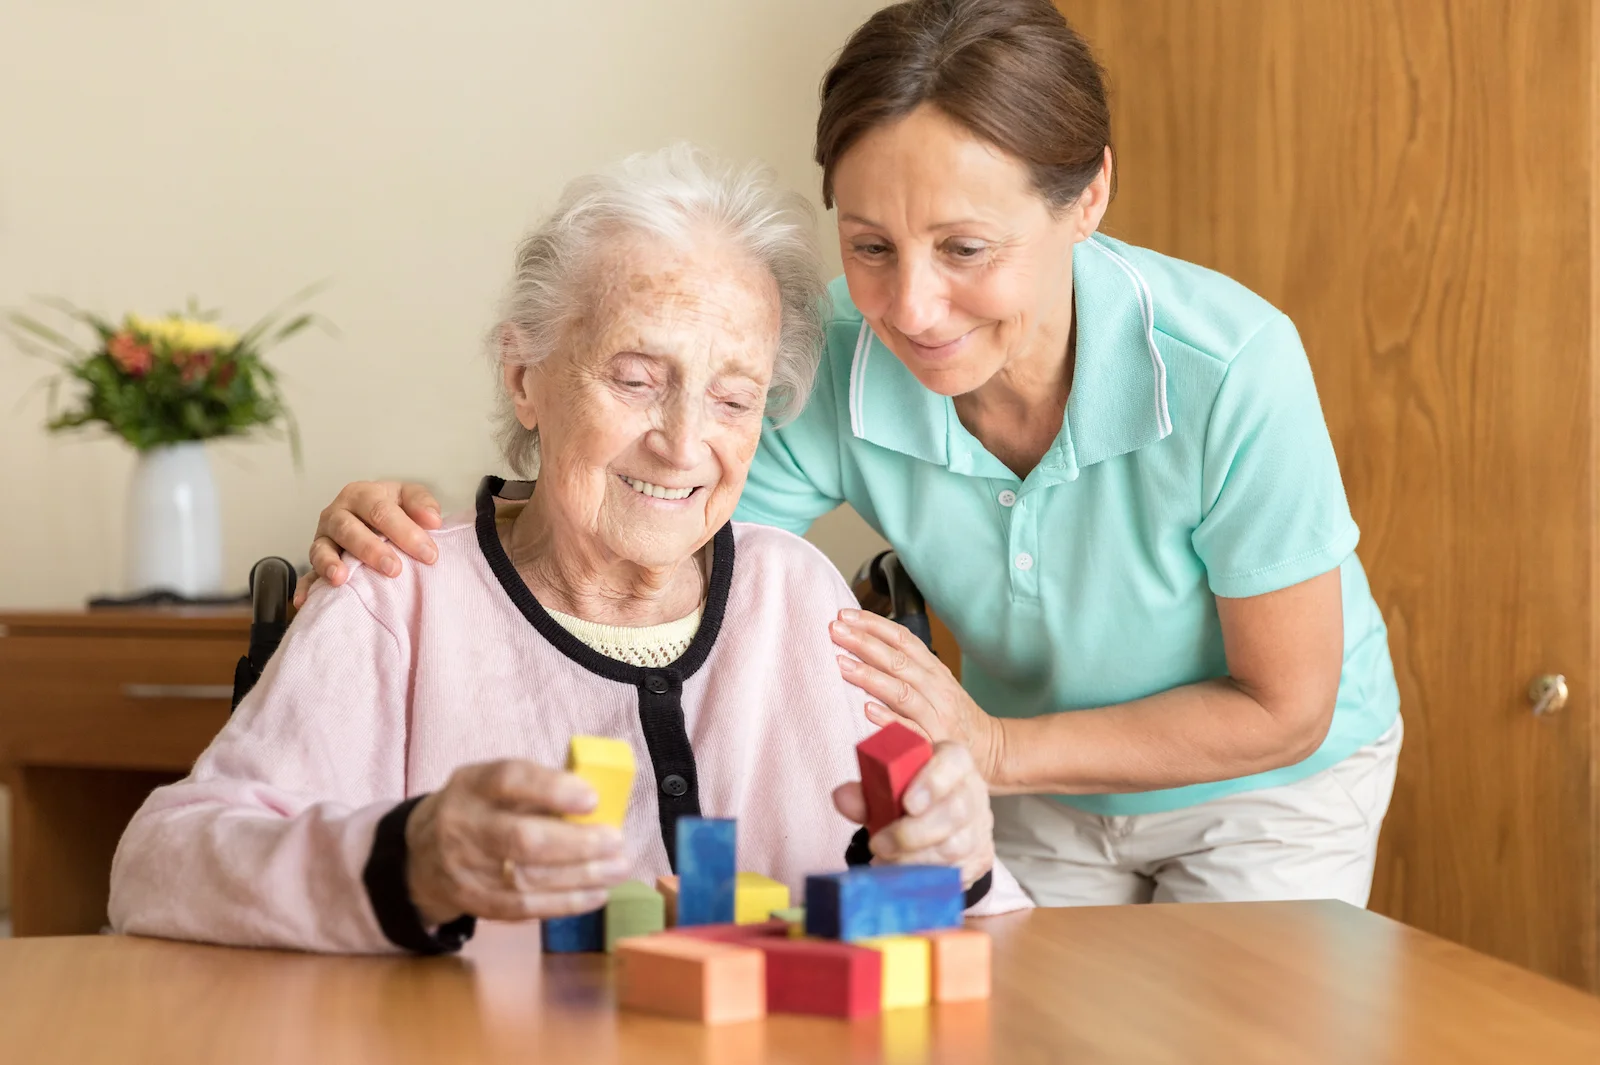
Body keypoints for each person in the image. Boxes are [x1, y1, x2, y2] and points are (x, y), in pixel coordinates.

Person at [303, 0, 1402, 908]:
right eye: (869, 246)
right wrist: (441, 532)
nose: (912, 309)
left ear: (1089, 200)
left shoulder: (1228, 365)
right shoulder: (832, 351)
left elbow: (1283, 705)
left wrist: (994, 751)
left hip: (1268, 783)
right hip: (1026, 784)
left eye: (966, 249)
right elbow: (661, 535)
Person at [108, 145, 1025, 954]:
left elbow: (980, 919)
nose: (681, 440)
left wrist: (957, 857)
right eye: (636, 379)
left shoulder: (798, 598)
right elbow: (157, 865)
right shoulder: (399, 589)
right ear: (525, 377)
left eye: (733, 398)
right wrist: (410, 861)